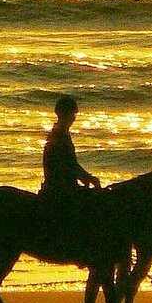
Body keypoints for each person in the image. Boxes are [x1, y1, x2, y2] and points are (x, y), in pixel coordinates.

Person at [39, 95, 102, 237]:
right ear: (65, 114)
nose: (74, 118)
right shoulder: (60, 135)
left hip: (61, 183)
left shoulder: (59, 133)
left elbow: (70, 164)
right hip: (60, 186)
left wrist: (86, 177)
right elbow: (68, 164)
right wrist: (88, 178)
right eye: (73, 114)